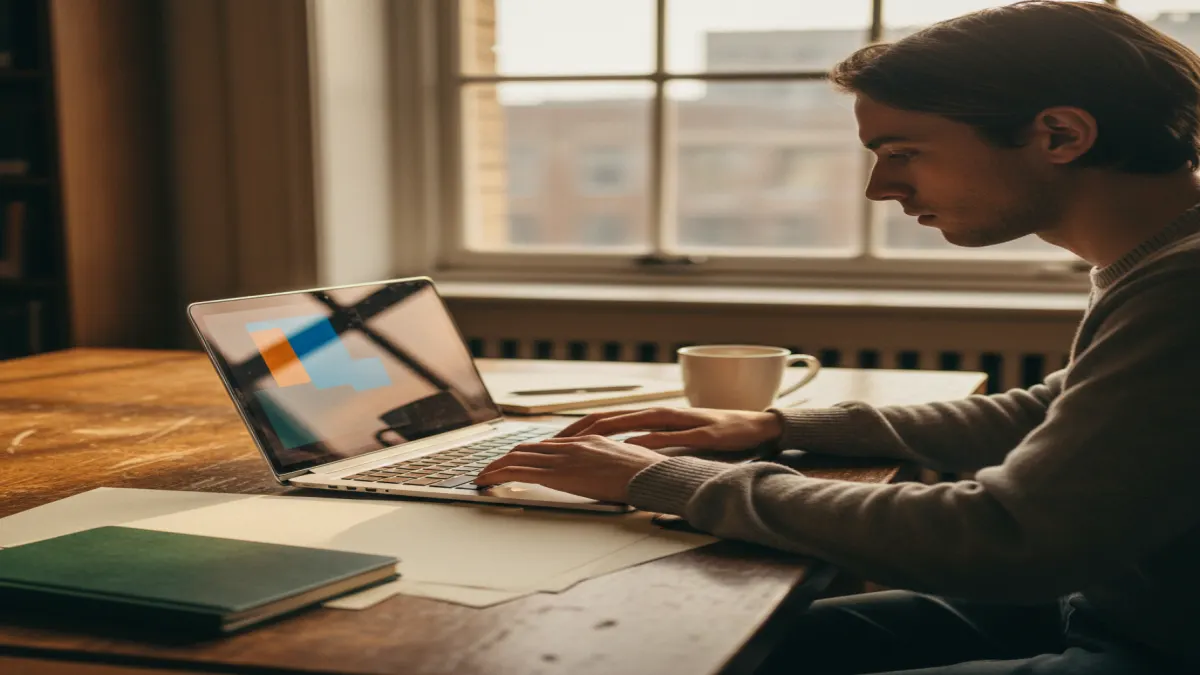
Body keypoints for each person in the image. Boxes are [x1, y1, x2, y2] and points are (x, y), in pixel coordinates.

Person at [476, 2, 1200, 673]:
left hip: (1151, 648)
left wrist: (661, 479)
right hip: (1109, 608)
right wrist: (779, 425)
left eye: (903, 151)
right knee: (688, 646)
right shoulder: (1156, 260)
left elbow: (1010, 535)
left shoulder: (1182, 287)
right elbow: (1052, 410)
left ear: (1060, 135)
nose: (881, 188)